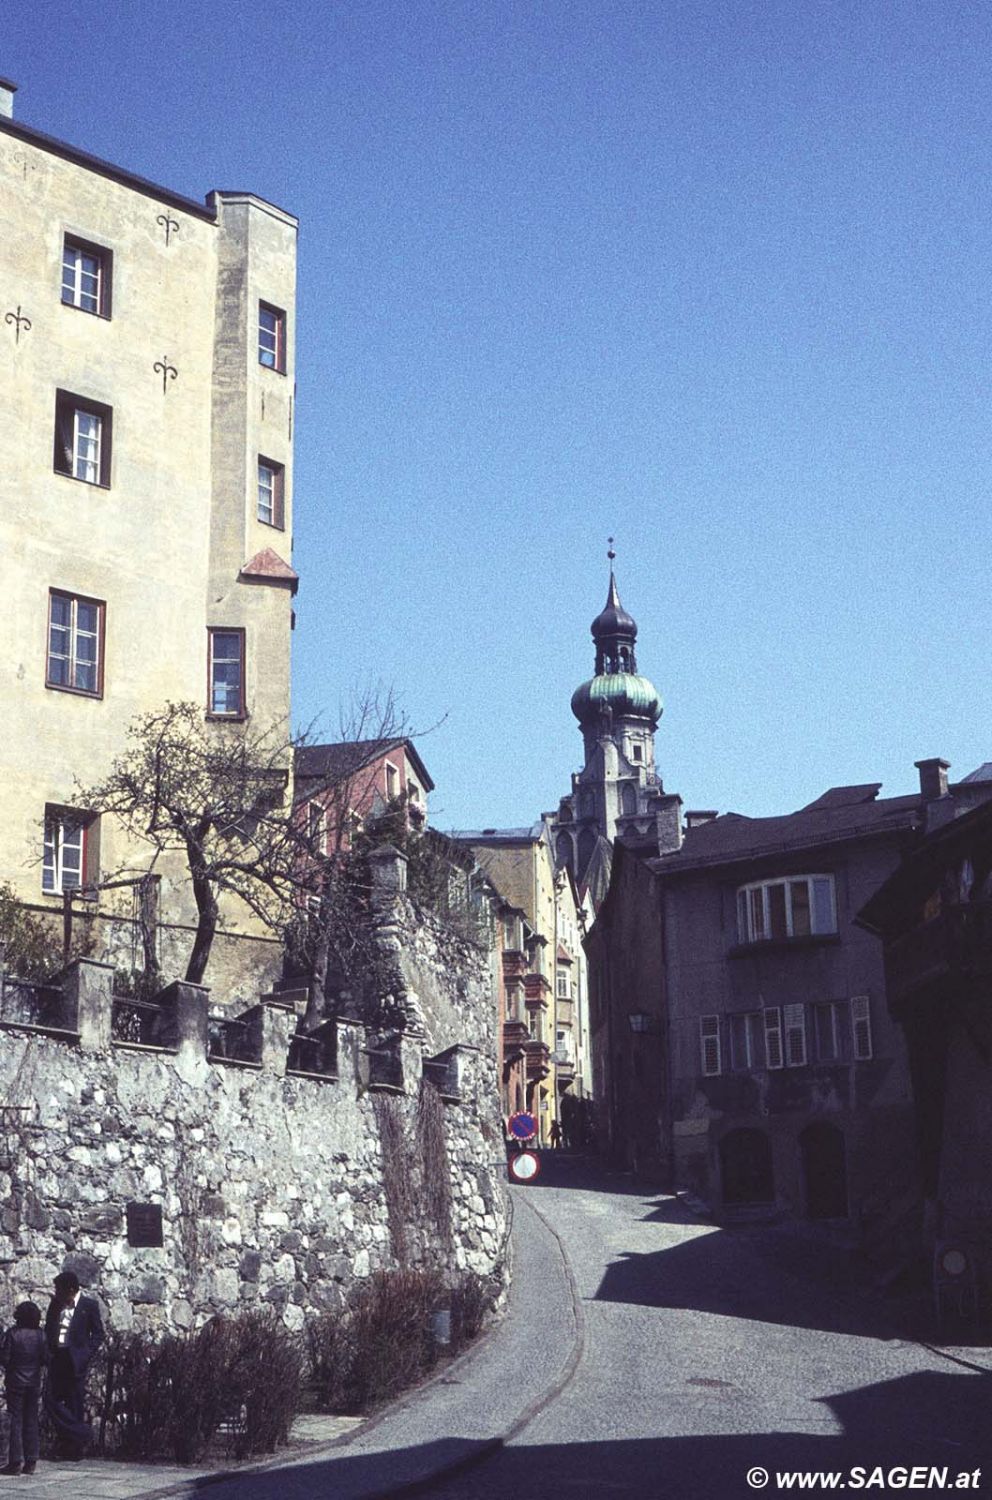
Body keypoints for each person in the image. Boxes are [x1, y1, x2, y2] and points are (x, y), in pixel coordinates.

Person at [44, 1271, 104, 1461]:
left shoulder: (88, 1306)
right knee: (50, 1399)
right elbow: (49, 1327)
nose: (56, 1293)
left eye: (59, 1290)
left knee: (74, 1402)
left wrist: (86, 1353)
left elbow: (98, 1334)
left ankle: (73, 1449)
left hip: (76, 1359)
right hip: (58, 1357)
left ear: (70, 1290)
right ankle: (81, 1432)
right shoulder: (56, 1304)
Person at [0, 1302, 49, 1475]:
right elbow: (45, 1358)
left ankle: (15, 1462)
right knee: (31, 1420)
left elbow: (5, 1358)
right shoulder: (41, 1335)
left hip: (15, 1382)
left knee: (16, 1420)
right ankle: (31, 1460)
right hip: (34, 1382)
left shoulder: (12, 1334)